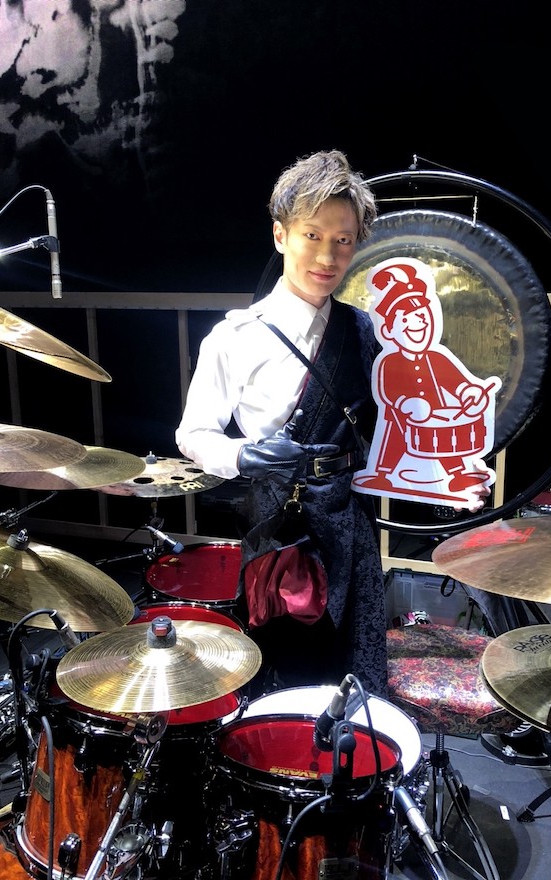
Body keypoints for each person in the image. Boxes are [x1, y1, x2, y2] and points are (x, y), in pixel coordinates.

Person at [176, 149, 489, 700]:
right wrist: (242, 455)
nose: (327, 255)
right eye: (312, 235)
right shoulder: (234, 337)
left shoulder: (367, 332)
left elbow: (400, 426)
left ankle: (354, 748)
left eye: (343, 240)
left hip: (351, 519)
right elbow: (193, 433)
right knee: (289, 668)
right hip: (282, 523)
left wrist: (448, 480)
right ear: (281, 235)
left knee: (355, 661)